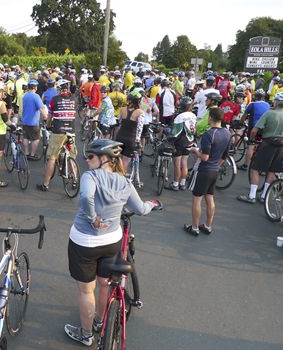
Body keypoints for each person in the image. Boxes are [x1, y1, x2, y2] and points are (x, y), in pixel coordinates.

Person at [64, 139, 161, 346]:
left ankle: (86, 334)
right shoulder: (124, 182)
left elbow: (85, 197)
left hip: (84, 242)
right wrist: (152, 203)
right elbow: (141, 209)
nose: (87, 160)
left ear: (104, 159)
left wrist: (92, 218)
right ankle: (99, 321)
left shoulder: (90, 177)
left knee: (85, 290)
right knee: (104, 283)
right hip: (111, 242)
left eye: (91, 156)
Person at [184, 108, 231, 235]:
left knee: (197, 199)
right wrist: (216, 165)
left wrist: (194, 150)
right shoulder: (227, 134)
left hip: (203, 170)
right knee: (209, 197)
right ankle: (208, 225)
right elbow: (224, 156)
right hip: (215, 169)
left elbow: (204, 157)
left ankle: (194, 227)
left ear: (210, 118)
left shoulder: (209, 134)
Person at [237, 92, 283, 204]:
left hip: (268, 142)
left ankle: (252, 195)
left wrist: (252, 139)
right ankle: (264, 196)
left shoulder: (269, 113)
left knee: (255, 168)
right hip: (281, 145)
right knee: (273, 170)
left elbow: (254, 130)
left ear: (276, 102)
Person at [37, 79, 77, 191]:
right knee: (72, 155)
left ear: (59, 89)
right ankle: (75, 179)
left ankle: (45, 184)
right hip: (71, 131)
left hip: (58, 131)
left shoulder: (55, 99)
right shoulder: (74, 99)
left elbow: (50, 116)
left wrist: (48, 125)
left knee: (52, 158)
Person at [166, 96, 196, 191]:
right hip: (189, 140)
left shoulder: (180, 116)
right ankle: (182, 183)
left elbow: (176, 132)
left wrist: (169, 138)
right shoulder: (193, 115)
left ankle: (175, 184)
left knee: (177, 163)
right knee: (184, 162)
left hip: (180, 141)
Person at [238, 89, 270, 171]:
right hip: (264, 128)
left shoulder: (252, 104)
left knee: (250, 146)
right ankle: (261, 166)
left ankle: (245, 165)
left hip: (254, 127)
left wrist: (240, 123)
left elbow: (244, 115)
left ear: (255, 96)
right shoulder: (268, 105)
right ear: (263, 97)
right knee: (260, 146)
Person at [116, 91, 145, 171]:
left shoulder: (123, 109)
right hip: (130, 139)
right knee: (125, 161)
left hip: (120, 136)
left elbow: (119, 121)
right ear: (138, 101)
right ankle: (121, 178)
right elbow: (140, 127)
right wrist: (138, 140)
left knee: (119, 160)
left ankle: (115, 176)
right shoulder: (140, 112)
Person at [21, 79, 48, 159]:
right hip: (33, 121)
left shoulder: (25, 95)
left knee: (26, 137)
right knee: (36, 138)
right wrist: (45, 116)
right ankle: (32, 155)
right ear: (35, 87)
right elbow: (41, 108)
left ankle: (26, 153)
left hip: (25, 120)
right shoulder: (36, 96)